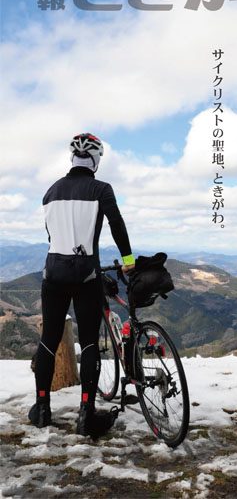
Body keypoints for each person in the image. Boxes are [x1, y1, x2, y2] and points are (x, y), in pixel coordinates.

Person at [28, 133, 135, 438]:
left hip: (53, 273)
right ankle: (86, 414)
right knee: (88, 343)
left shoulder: (50, 192)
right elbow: (116, 224)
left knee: (48, 341)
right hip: (86, 274)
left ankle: (42, 409)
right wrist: (128, 259)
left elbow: (52, 235)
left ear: (71, 158)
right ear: (96, 160)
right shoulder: (101, 189)